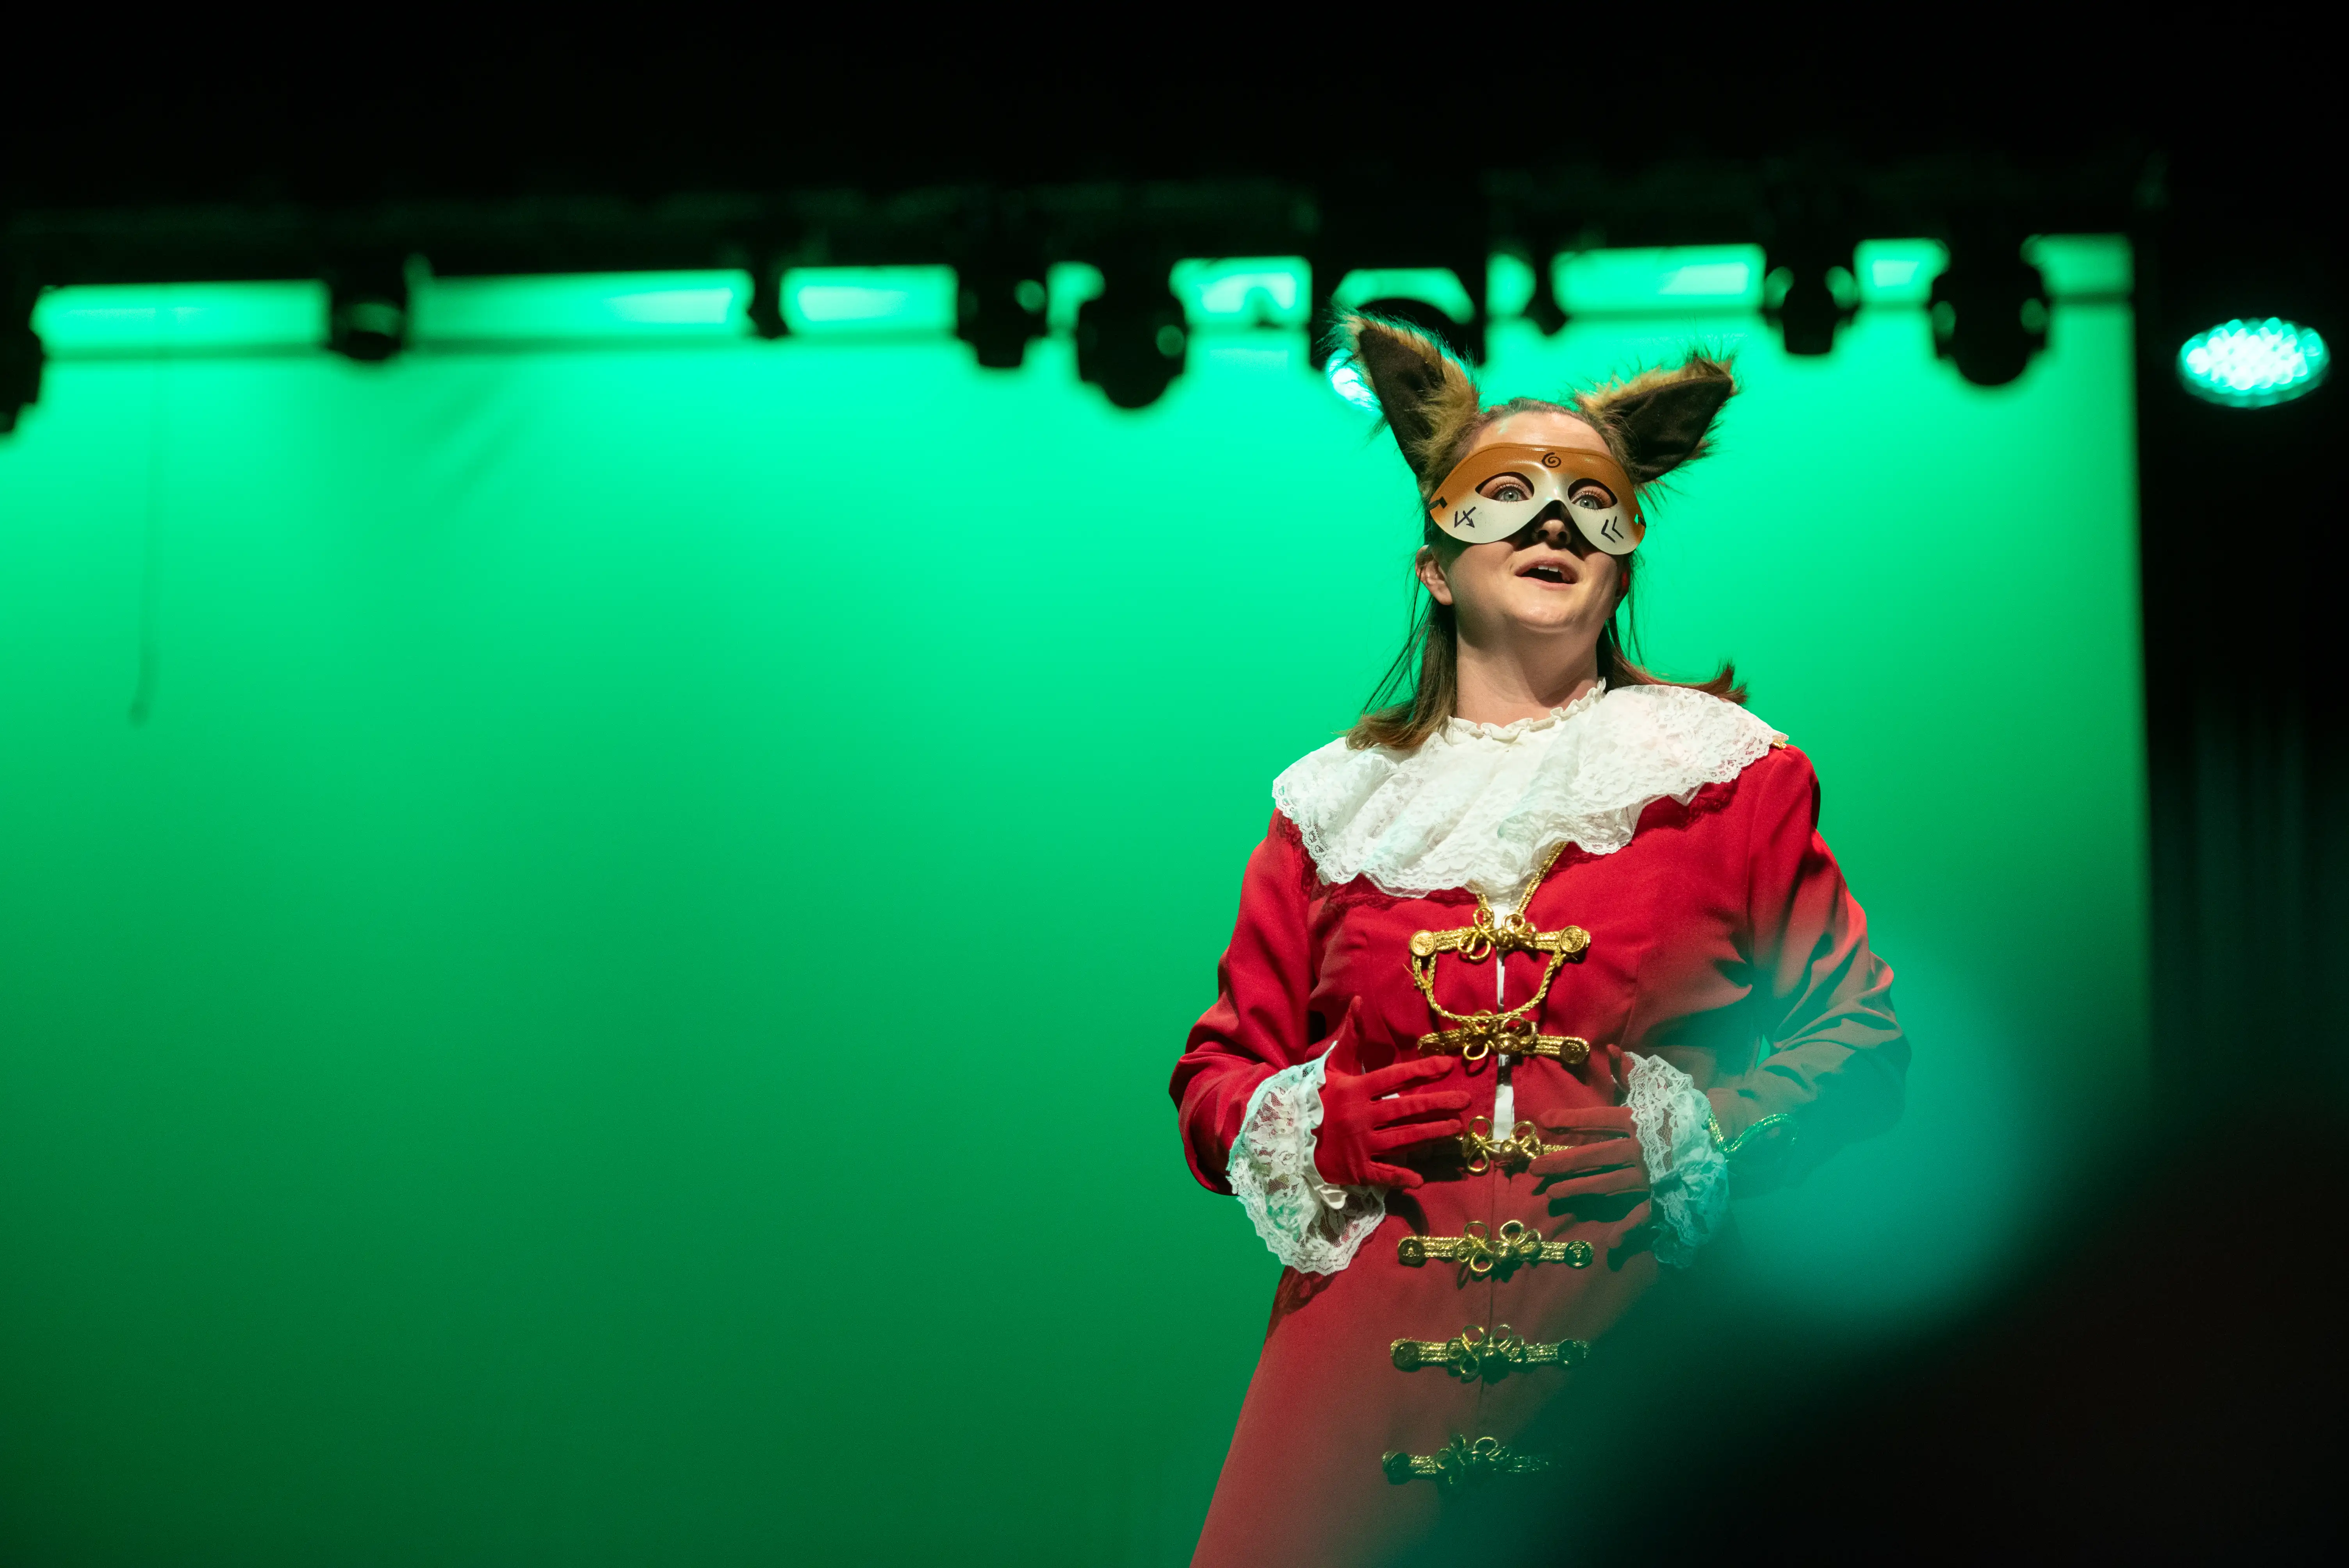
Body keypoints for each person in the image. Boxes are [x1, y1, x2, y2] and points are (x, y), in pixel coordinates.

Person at [1169, 314, 1909, 1566]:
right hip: (1361, 1392)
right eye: (1505, 496)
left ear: (1621, 568)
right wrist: (1318, 1124)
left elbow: (1864, 1040)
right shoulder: (1329, 812)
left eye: (1593, 503)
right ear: (1435, 563)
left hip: (1642, 1360)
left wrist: (1703, 1132)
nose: (1555, 521)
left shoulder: (1730, 781)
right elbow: (1215, 1075)